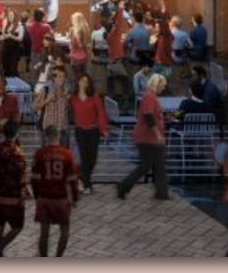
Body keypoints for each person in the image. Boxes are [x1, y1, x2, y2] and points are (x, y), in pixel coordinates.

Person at [115, 73, 171, 201]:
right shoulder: (149, 97)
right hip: (148, 138)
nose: (164, 87)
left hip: (151, 138)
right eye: (163, 85)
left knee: (158, 165)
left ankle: (161, 193)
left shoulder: (150, 97)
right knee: (147, 165)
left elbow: (152, 115)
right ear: (157, 84)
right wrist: (157, 134)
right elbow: (148, 116)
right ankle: (123, 186)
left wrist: (163, 118)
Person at [31, 132, 82, 256]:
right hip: (61, 198)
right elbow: (72, 180)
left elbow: (33, 178)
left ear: (46, 138)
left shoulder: (39, 154)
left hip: (44, 197)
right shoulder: (67, 154)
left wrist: (36, 195)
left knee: (44, 233)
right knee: (64, 230)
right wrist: (75, 197)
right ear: (58, 138)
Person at [0, 121, 29, 256]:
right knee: (17, 226)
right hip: (12, 196)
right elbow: (22, 173)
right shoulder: (16, 152)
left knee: (0, 224)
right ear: (16, 134)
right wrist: (24, 190)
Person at [68, 71, 108, 191]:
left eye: (86, 81)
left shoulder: (94, 95)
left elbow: (101, 112)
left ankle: (81, 178)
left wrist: (103, 129)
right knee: (84, 158)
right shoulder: (73, 97)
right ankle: (86, 185)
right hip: (80, 131)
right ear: (78, 82)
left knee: (93, 158)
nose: (84, 83)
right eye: (82, 81)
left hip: (93, 131)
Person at [0, 11, 26, 80]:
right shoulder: (6, 25)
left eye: (11, 15)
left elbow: (20, 38)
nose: (10, 17)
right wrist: (0, 36)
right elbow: (2, 36)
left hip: (15, 50)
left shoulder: (20, 26)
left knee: (13, 69)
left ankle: (17, 85)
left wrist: (11, 36)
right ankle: (7, 85)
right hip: (5, 50)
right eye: (9, 15)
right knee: (5, 68)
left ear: (15, 16)